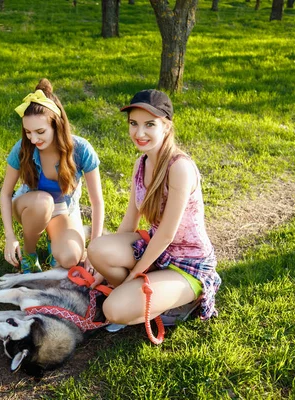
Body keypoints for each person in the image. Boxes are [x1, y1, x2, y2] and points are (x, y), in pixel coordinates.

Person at [87, 89, 221, 331]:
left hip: (187, 262)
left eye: (150, 124)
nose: (139, 133)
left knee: (113, 309)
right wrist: (100, 272)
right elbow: (130, 221)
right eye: (133, 124)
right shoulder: (141, 163)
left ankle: (184, 302)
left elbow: (167, 234)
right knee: (97, 249)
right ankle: (135, 295)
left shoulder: (180, 167)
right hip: (157, 251)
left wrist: (133, 275)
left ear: (166, 127)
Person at [0, 78, 104, 273]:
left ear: (57, 125)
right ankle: (30, 254)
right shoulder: (23, 149)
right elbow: (5, 193)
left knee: (70, 258)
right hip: (30, 206)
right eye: (28, 132)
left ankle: (52, 236)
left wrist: (93, 249)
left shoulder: (82, 150)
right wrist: (10, 236)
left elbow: (97, 202)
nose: (33, 139)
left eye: (40, 131)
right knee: (43, 202)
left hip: (64, 209)